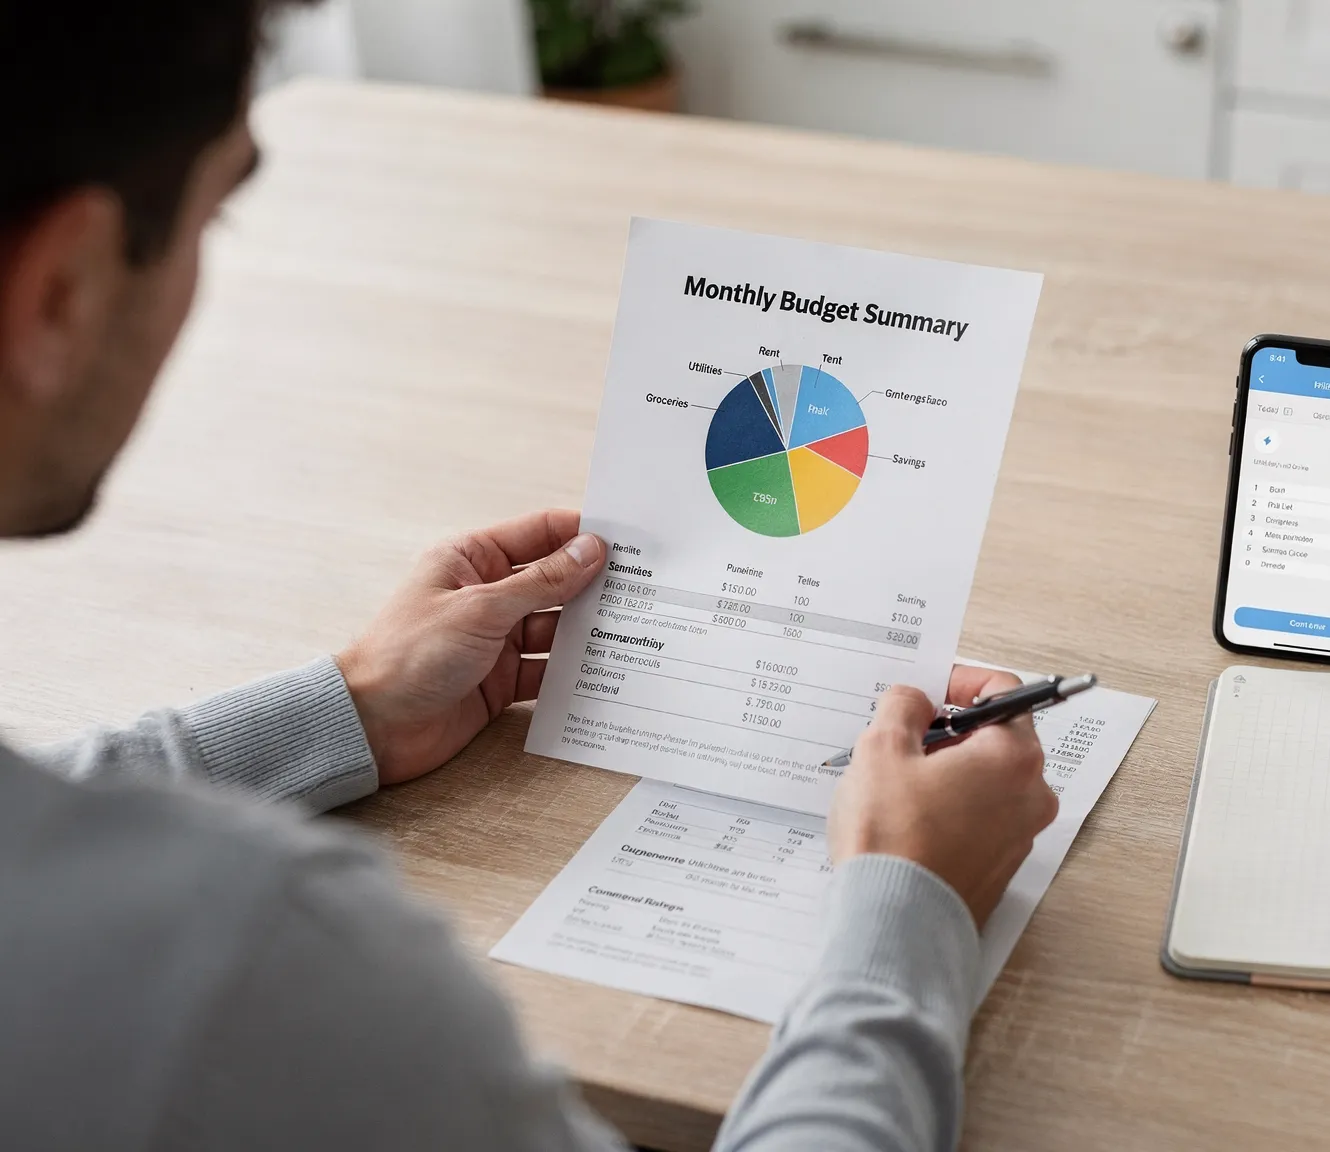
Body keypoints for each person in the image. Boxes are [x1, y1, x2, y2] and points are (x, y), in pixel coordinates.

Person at [0, 2, 1059, 1149]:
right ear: (59, 291)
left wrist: (343, 709)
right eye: (224, 214)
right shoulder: (257, 970)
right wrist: (910, 911)